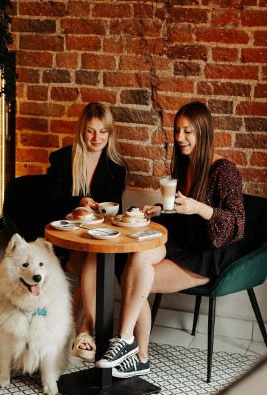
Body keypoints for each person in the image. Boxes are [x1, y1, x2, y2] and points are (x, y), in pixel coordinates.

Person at [95, 101, 245, 378]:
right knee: (136, 258)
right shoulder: (185, 166)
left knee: (132, 275)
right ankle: (132, 348)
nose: (179, 138)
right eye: (177, 131)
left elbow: (236, 224)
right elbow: (181, 211)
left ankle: (132, 347)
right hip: (181, 243)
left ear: (203, 132)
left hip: (207, 254)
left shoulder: (225, 171)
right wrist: (160, 209)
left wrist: (199, 208)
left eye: (187, 131)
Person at [47, 102, 128, 363]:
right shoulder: (62, 159)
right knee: (94, 261)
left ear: (110, 134)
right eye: (91, 131)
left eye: (103, 132)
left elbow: (114, 212)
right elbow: (50, 203)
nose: (97, 138)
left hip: (96, 242)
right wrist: (78, 202)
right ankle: (83, 332)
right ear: (82, 132)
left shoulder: (116, 169)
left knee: (95, 258)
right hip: (66, 241)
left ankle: (81, 333)